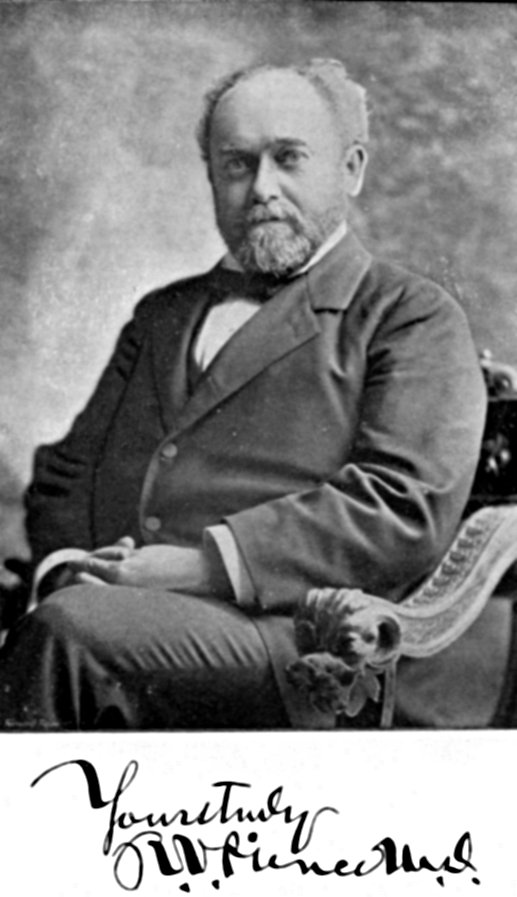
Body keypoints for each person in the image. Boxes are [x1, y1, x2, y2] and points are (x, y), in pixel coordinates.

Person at [0, 58, 487, 730]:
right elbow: (68, 474)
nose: (261, 188)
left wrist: (200, 566)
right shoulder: (162, 315)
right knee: (68, 620)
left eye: (288, 158)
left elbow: (401, 505)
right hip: (120, 610)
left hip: (297, 638)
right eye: (236, 165)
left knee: (68, 639)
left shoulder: (408, 315)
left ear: (350, 170)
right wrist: (71, 567)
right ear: (211, 180)